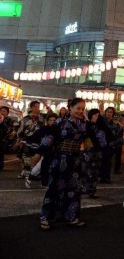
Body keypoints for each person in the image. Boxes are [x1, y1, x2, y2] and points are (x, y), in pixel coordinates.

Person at [38, 98, 87, 230]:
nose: (81, 111)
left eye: (83, 109)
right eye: (78, 108)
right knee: (54, 187)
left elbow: (88, 140)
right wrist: (39, 153)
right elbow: (49, 138)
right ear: (70, 108)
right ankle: (45, 217)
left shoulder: (83, 123)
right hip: (60, 159)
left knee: (74, 189)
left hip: (75, 160)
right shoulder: (60, 122)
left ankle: (71, 217)